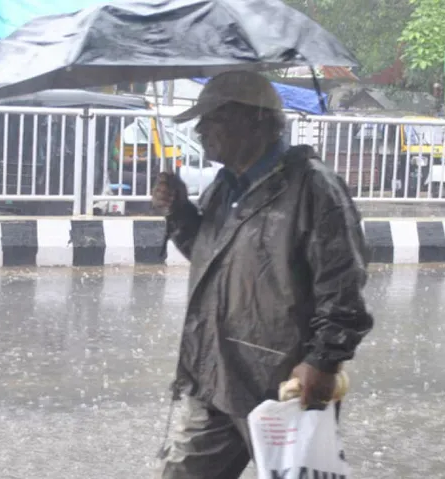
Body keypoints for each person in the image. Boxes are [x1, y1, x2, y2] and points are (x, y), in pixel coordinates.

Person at [151, 71, 375, 479]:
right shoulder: (225, 187)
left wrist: (322, 361)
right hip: (216, 373)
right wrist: (180, 212)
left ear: (253, 119)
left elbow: (342, 286)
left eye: (213, 119)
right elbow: (211, 259)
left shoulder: (313, 188)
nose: (200, 130)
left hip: (283, 383)